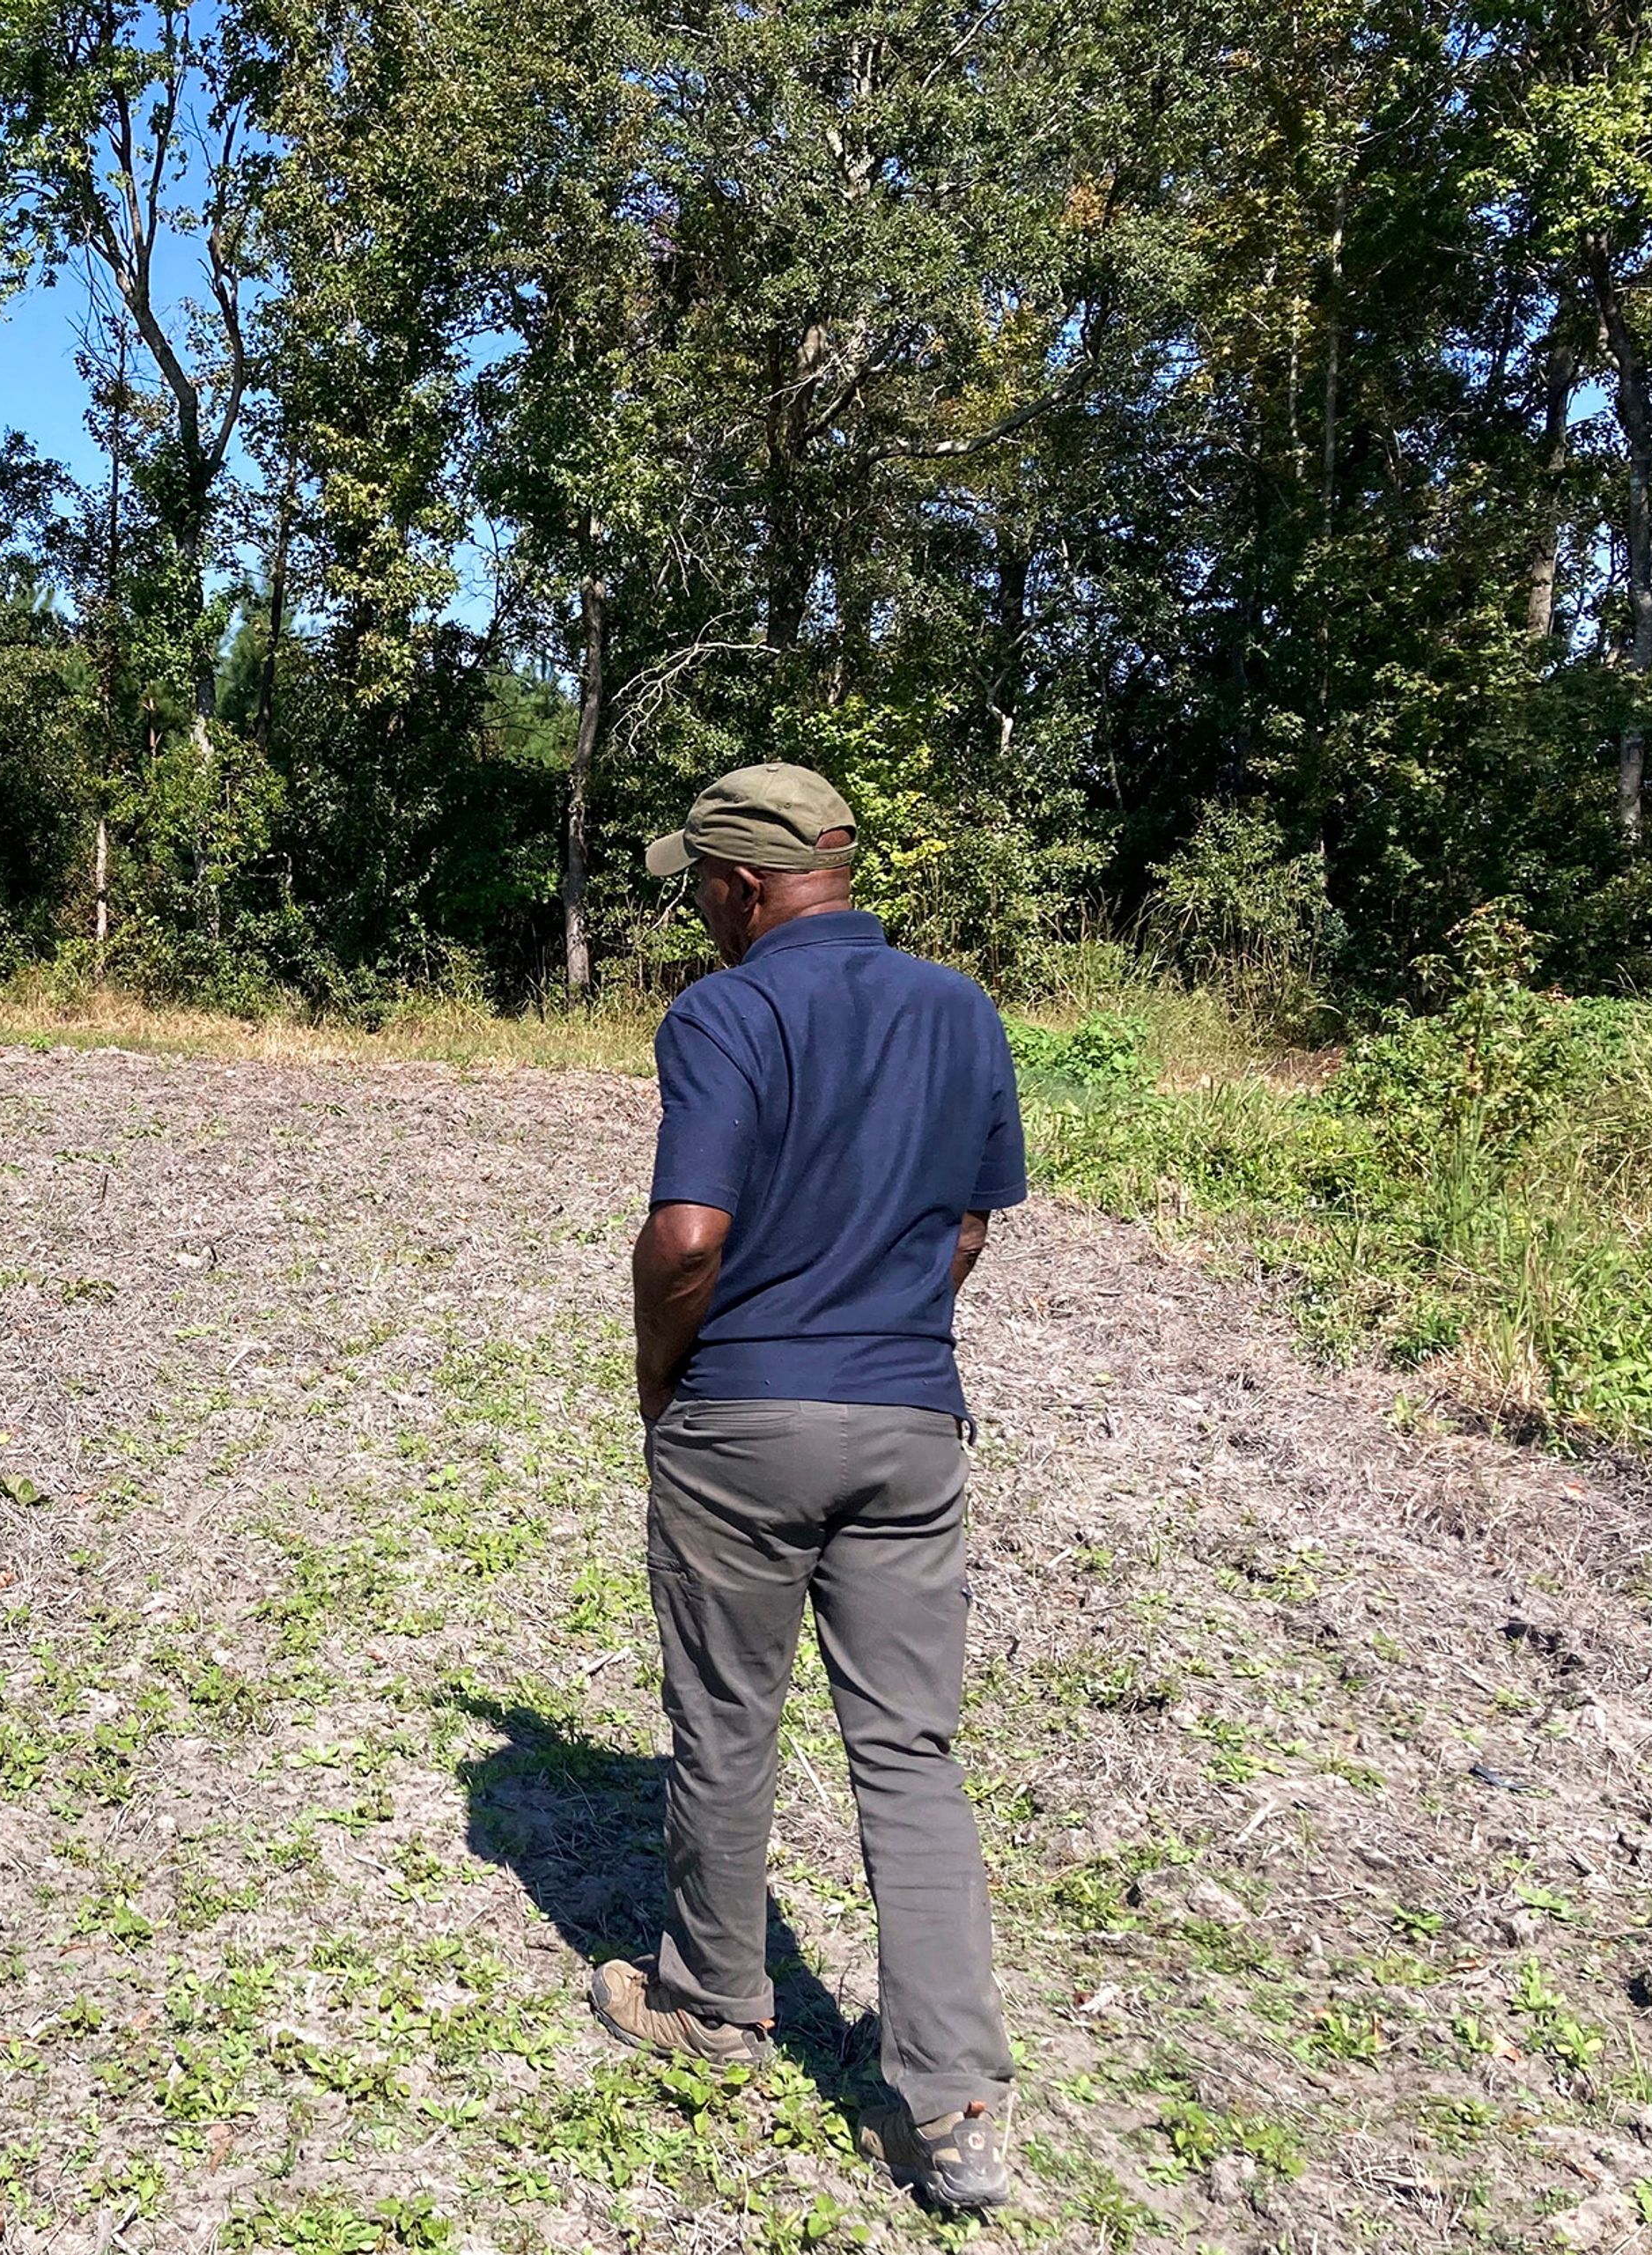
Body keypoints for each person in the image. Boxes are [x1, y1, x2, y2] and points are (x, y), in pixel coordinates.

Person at [585, 761, 1027, 2214]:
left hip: (744, 1415)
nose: (699, 910)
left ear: (750, 885)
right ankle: (952, 2101)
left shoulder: (728, 1010)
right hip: (909, 1417)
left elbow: (687, 1234)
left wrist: (664, 1373)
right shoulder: (961, 1009)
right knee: (911, 1749)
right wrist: (886, 1330)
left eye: (702, 884)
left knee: (727, 1719)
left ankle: (715, 2008)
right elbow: (965, 1227)